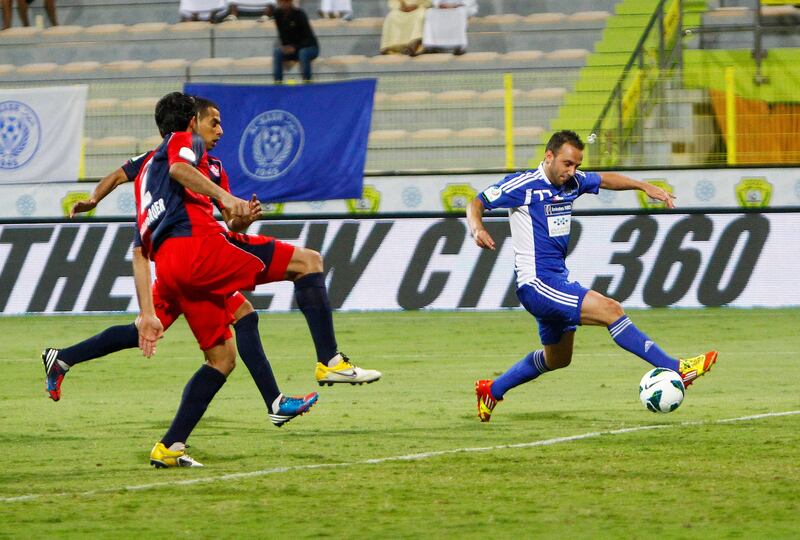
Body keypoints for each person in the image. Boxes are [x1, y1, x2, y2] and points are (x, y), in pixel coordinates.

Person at [468, 130, 718, 422]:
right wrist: (477, 228)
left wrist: (643, 186)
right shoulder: (524, 185)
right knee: (611, 310)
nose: (572, 171)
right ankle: (677, 368)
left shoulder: (572, 181)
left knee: (557, 359)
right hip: (537, 283)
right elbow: (477, 202)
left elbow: (605, 179)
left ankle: (492, 390)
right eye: (567, 163)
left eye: (576, 165)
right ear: (548, 156)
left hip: (557, 280)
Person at [272, 0, 319, 83]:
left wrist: (295, 47)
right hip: (292, 48)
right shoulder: (277, 14)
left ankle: (307, 81)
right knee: (277, 52)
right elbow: (282, 33)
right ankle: (278, 82)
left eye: (286, 2)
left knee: (303, 53)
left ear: (290, 2)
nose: (283, 4)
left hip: (310, 47)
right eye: (281, 2)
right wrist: (285, 46)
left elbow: (308, 38)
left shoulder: (300, 14)